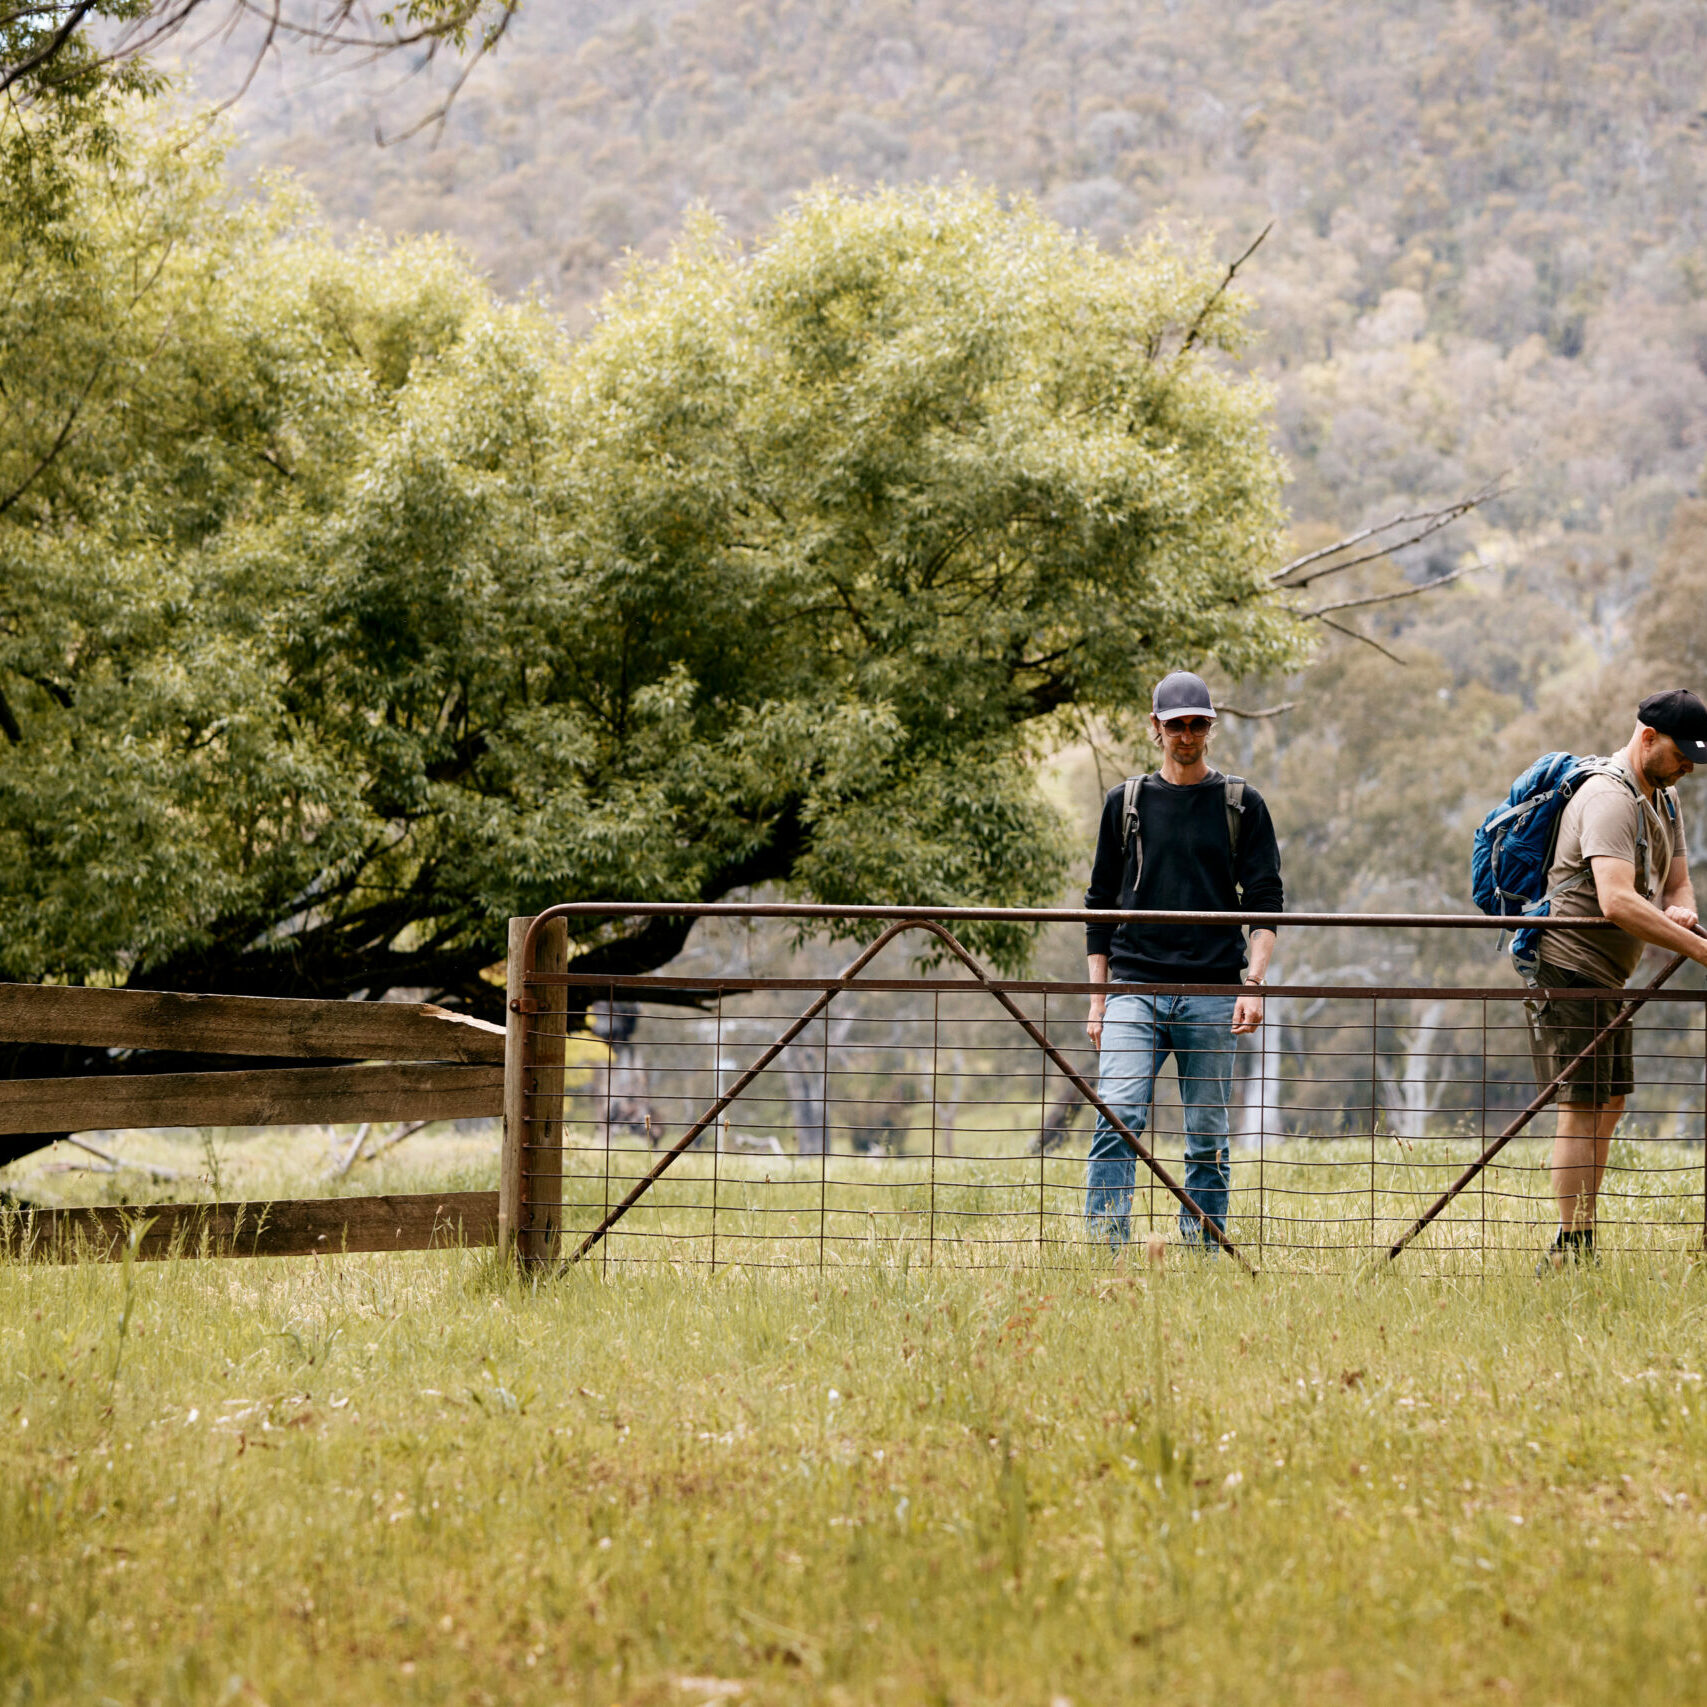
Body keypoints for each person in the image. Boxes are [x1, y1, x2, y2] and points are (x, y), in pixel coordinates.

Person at [1083, 670, 1284, 1249]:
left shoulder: (1242, 805)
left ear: (1210, 729)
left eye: (1198, 725)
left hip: (1213, 992)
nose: (1187, 736)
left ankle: (1203, 1248)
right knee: (1117, 1118)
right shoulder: (1126, 803)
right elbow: (1098, 907)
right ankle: (1105, 1249)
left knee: (1207, 1133)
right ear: (1156, 728)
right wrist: (1097, 1003)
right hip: (1133, 988)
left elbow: (1267, 903)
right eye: (1176, 725)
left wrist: (1253, 985)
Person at [1526, 690, 1707, 1269]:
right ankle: (1571, 1244)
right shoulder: (1608, 796)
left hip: (1612, 974)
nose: (1689, 767)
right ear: (1648, 737)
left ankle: (1582, 1235)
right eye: (1683, 754)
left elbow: (1678, 885)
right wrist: (1699, 950)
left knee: (1611, 1101)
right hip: (1569, 964)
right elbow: (1617, 902)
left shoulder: (1667, 801)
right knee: (1581, 1104)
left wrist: (1681, 912)